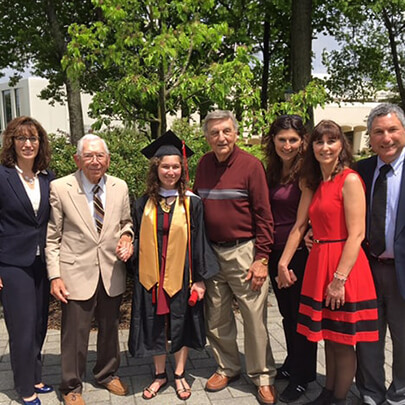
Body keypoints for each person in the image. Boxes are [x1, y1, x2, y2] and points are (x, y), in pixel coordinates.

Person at [278, 120, 378, 405]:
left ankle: (339, 397)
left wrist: (339, 279)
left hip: (343, 266)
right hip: (319, 261)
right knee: (330, 338)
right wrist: (283, 263)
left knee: (344, 340)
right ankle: (328, 392)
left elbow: (356, 234)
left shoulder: (349, 179)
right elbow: (299, 226)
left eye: (331, 141)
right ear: (312, 148)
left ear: (341, 146)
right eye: (319, 142)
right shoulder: (313, 182)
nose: (325, 147)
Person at [193, 110, 277, 405]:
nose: (221, 138)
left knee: (254, 318)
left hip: (245, 252)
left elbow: (264, 215)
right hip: (212, 251)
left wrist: (262, 257)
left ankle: (263, 376)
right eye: (214, 133)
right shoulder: (203, 164)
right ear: (207, 137)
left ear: (236, 134)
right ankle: (227, 367)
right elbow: (197, 209)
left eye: (226, 131)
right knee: (216, 316)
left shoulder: (251, 166)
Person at [128, 131, 219, 401]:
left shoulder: (192, 202)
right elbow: (133, 236)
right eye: (165, 166)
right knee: (155, 323)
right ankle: (159, 374)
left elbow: (201, 241)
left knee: (183, 323)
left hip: (183, 275)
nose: (170, 171)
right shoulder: (142, 203)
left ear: (182, 169)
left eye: (175, 166)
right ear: (156, 168)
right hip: (151, 276)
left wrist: (200, 279)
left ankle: (179, 374)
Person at [45, 134, 133, 405]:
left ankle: (106, 373)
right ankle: (71, 385)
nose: (95, 161)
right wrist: (55, 275)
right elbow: (52, 237)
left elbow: (127, 223)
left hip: (111, 270)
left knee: (110, 327)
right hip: (75, 272)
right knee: (74, 334)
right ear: (77, 159)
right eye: (88, 156)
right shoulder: (60, 187)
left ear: (108, 159)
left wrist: (128, 238)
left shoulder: (120, 186)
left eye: (100, 156)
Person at [262, 115, 317, 402]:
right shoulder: (272, 170)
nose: (287, 144)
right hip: (274, 251)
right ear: (273, 140)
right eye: (282, 139)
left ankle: (303, 377)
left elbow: (302, 222)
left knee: (300, 317)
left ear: (302, 141)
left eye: (293, 139)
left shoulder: (306, 173)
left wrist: (284, 262)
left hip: (297, 255)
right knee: (287, 314)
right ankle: (294, 363)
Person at [0, 117, 53, 405]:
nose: (28, 144)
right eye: (21, 138)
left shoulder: (47, 177)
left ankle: (34, 374)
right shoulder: (2, 176)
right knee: (21, 326)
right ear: (12, 142)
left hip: (42, 261)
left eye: (33, 138)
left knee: (39, 323)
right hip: (12, 262)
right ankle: (24, 387)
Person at [355, 103, 405, 405]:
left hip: (401, 270)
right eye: (378, 132)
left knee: (403, 338)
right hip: (367, 268)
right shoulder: (360, 170)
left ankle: (399, 394)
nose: (386, 138)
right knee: (368, 338)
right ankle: (370, 393)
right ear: (370, 138)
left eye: (392, 130)